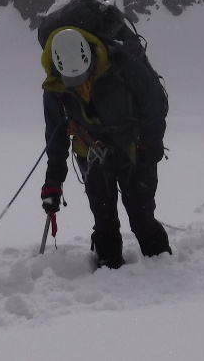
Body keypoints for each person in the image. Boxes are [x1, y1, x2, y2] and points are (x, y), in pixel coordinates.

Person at [39, 22, 171, 269]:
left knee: (141, 217)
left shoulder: (120, 64)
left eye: (83, 73)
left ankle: (162, 266)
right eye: (71, 78)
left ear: (89, 55)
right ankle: (109, 267)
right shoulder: (55, 87)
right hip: (90, 153)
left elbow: (154, 104)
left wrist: (151, 146)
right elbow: (55, 136)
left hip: (134, 149)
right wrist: (53, 184)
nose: (78, 82)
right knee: (104, 221)